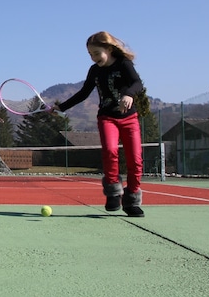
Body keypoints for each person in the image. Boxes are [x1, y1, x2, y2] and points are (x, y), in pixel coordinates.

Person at [51, 31, 146, 217]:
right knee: (110, 151)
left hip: (129, 119)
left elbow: (137, 83)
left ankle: (132, 200)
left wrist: (128, 94)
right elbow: (83, 93)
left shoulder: (124, 64)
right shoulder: (95, 71)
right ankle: (113, 193)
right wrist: (60, 107)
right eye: (90, 55)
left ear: (109, 49)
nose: (94, 58)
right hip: (107, 118)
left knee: (135, 160)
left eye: (96, 53)